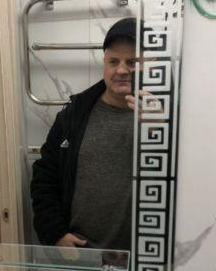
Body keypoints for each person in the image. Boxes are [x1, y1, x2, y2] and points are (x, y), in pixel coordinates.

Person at [30, 17, 147, 253]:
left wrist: (162, 128)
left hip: (143, 258)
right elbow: (45, 176)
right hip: (81, 254)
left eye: (132, 62)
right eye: (113, 61)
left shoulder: (166, 117)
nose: (121, 70)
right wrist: (55, 233)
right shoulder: (74, 115)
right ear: (104, 64)